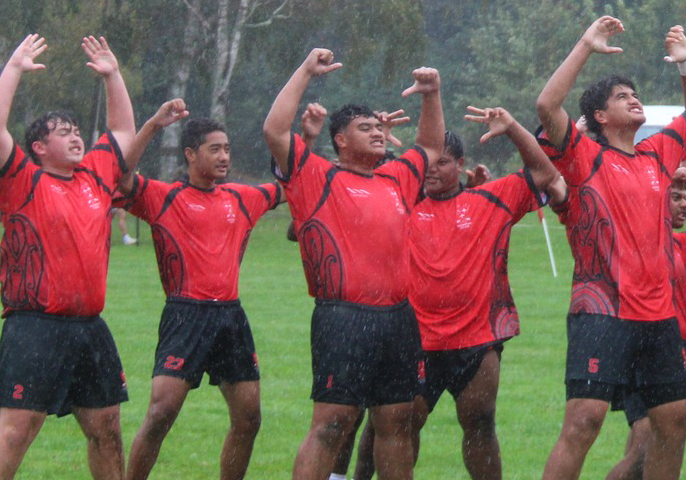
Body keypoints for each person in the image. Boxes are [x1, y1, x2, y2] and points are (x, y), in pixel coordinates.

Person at [532, 16, 686, 480]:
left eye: (634, 94)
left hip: (658, 315)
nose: (633, 99)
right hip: (602, 312)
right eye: (621, 97)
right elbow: (547, 104)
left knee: (673, 421)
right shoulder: (585, 156)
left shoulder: (657, 154)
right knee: (584, 422)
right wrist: (586, 46)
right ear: (599, 117)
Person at [263, 45, 445, 480]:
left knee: (397, 421)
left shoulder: (397, 177)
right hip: (343, 318)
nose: (378, 134)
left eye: (379, 128)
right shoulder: (316, 176)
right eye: (366, 129)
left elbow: (430, 145)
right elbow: (274, 129)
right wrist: (306, 69)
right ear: (340, 140)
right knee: (331, 424)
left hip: (398, 318)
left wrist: (432, 93)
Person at [0, 34, 138, 480]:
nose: (75, 137)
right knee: (17, 431)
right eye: (62, 133)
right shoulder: (21, 181)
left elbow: (124, 132)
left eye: (77, 131)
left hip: (90, 327)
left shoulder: (94, 176)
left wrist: (113, 76)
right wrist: (13, 68)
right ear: (39, 149)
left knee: (107, 429)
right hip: (35, 326)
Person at [119, 100, 286, 479]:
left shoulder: (242, 198)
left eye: (227, 149)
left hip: (230, 316)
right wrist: (152, 125)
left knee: (249, 418)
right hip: (185, 315)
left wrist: (305, 137)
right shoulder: (164, 197)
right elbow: (121, 177)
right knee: (161, 414)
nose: (224, 156)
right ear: (191, 154)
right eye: (215, 149)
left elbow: (291, 184)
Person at [406, 105, 559, 480]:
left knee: (479, 425)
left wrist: (512, 128)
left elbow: (544, 172)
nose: (431, 170)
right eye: (426, 162)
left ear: (460, 164)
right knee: (397, 426)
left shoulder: (491, 199)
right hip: (414, 340)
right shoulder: (400, 202)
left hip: (477, 341)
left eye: (441, 163)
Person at [605, 168, 686, 480]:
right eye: (675, 197)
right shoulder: (629, 246)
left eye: (685, 197)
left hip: (685, 356)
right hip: (646, 354)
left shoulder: (680, 245)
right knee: (643, 454)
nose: (684, 204)